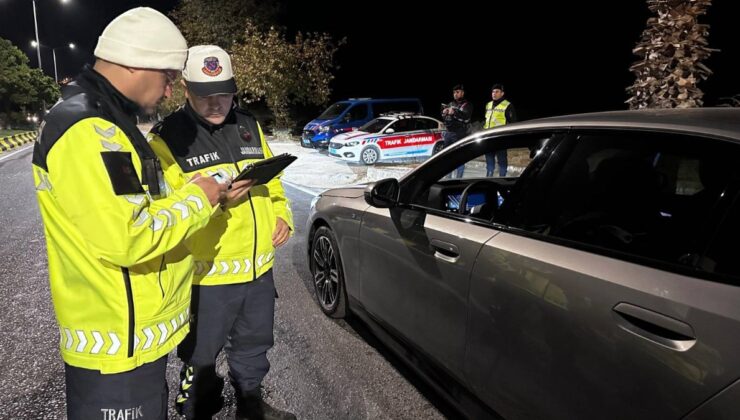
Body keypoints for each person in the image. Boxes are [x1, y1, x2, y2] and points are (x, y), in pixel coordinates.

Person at [31, 8, 228, 420]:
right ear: (139, 62)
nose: (171, 91)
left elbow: (140, 204)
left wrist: (191, 191)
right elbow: (128, 235)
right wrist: (198, 201)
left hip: (131, 339)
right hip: (116, 347)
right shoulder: (88, 129)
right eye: (169, 77)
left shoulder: (109, 122)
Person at [148, 45, 295, 420]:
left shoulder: (249, 126)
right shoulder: (168, 140)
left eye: (224, 94)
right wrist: (217, 201)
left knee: (254, 345)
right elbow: (164, 212)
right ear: (185, 90)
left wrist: (282, 214)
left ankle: (250, 405)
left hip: (258, 269)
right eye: (204, 95)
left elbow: (273, 185)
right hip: (206, 275)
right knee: (200, 354)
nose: (216, 104)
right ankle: (196, 407)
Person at [483, 84, 517, 177]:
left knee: (502, 160)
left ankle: (502, 178)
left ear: (502, 93)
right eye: (493, 91)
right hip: (488, 138)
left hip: (500, 138)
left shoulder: (507, 105)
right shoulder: (488, 104)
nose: (494, 93)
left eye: (497, 91)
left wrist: (508, 137)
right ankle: (488, 177)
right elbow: (487, 121)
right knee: (489, 160)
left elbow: (513, 123)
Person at [441, 84, 473, 178]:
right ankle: (448, 177)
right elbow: (446, 118)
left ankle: (459, 178)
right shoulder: (451, 104)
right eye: (454, 92)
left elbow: (466, 118)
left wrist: (455, 112)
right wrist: (444, 113)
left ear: (462, 93)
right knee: (447, 156)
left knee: (459, 157)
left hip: (460, 133)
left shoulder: (468, 104)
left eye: (457, 92)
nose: (455, 94)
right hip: (449, 133)